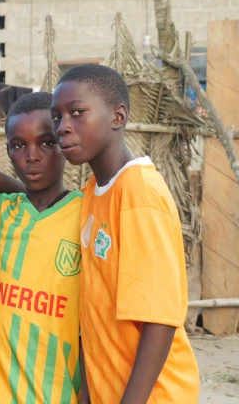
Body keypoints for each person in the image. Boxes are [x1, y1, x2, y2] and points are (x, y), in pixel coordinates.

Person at [51, 64, 200, 403]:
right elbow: (95, 312)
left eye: (77, 113)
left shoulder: (138, 193)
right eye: (57, 117)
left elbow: (159, 320)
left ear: (118, 117)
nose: (63, 127)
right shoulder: (94, 190)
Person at [0, 92, 85, 404]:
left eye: (46, 142)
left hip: (59, 395)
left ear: (64, 142)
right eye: (19, 145)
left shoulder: (87, 215)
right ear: (7, 150)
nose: (31, 156)